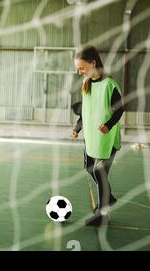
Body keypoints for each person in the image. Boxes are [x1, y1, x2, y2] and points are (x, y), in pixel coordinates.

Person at [72, 45, 124, 226]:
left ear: (93, 63)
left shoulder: (110, 84)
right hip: (92, 139)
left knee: (99, 173)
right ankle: (107, 197)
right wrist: (77, 128)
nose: (80, 72)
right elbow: (85, 112)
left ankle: (103, 215)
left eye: (81, 68)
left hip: (107, 140)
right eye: (78, 69)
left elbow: (120, 110)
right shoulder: (86, 84)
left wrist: (108, 126)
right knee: (89, 168)